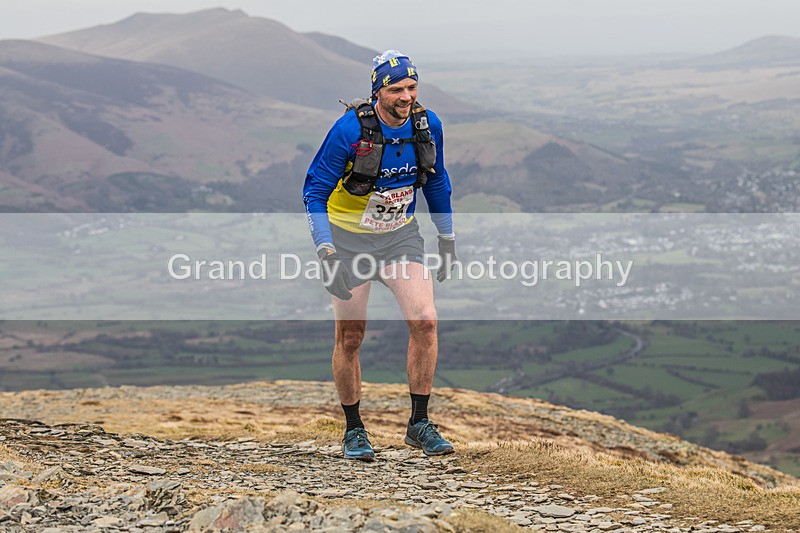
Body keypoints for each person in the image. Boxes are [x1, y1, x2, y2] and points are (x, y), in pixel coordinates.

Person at [302, 50, 457, 461]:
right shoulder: (348, 131)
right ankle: (354, 429)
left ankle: (419, 423)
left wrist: (447, 238)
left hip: (398, 237)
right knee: (351, 336)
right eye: (396, 89)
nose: (406, 96)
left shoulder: (428, 125)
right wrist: (326, 251)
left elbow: (436, 180)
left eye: (411, 86)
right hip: (347, 241)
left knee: (425, 321)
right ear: (377, 92)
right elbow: (314, 191)